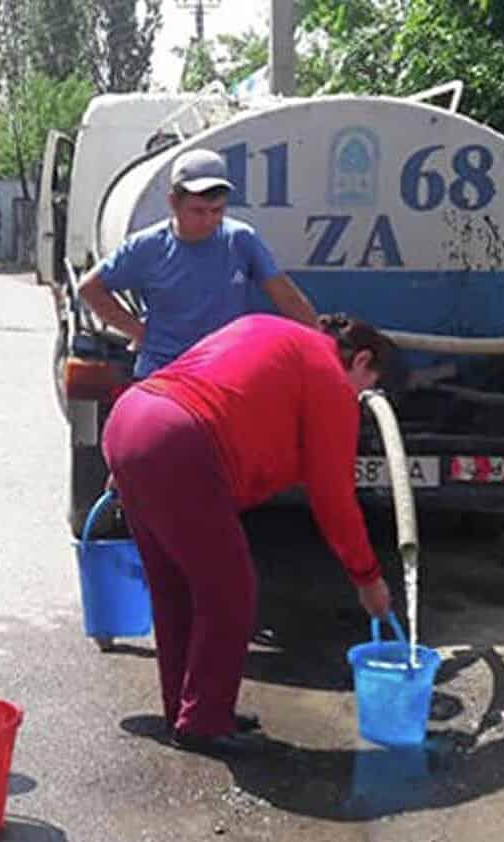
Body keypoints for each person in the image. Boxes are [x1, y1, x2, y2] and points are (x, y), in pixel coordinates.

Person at [102, 313, 397, 756]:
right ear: (361, 360)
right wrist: (367, 579)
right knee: (230, 591)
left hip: (132, 418)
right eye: (367, 385)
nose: (360, 397)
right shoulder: (329, 378)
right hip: (179, 443)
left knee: (177, 587)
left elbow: (203, 381)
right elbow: (334, 499)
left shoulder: (268, 328)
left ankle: (187, 709)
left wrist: (133, 461)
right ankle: (203, 721)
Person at [78, 148, 320, 379]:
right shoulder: (145, 247)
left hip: (221, 372)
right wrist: (139, 332)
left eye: (217, 211)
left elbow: (288, 299)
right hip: (163, 374)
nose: (209, 220)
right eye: (198, 211)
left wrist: (323, 349)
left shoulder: (240, 240)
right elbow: (90, 288)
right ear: (174, 202)